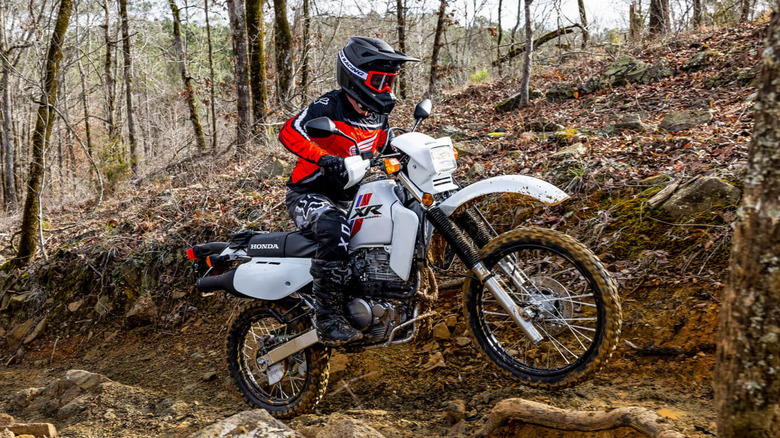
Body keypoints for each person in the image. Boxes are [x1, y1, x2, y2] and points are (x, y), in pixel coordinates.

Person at [279, 37, 418, 345]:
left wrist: (404, 153)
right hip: (309, 196)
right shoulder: (329, 106)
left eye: (389, 81)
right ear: (355, 77)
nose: (385, 87)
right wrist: (322, 157)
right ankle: (327, 319)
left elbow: (382, 145)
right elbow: (288, 132)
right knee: (334, 226)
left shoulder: (378, 114)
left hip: (350, 196)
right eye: (378, 80)